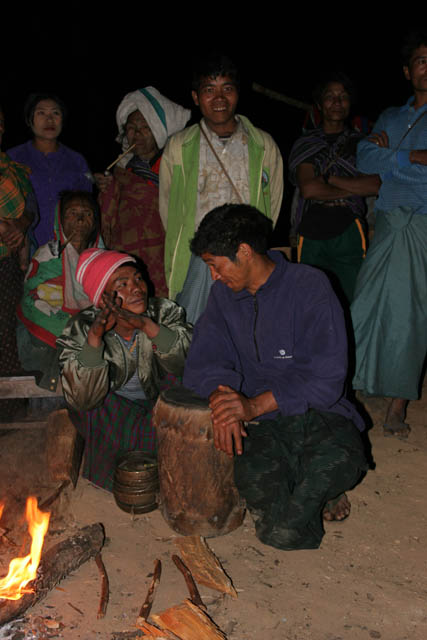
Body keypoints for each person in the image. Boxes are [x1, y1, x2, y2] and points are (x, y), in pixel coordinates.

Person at [183, 204, 367, 551]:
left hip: (322, 418)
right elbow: (204, 360)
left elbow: (327, 379)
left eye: (215, 265)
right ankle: (308, 493)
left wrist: (253, 405)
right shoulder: (223, 296)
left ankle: (319, 489)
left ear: (244, 252)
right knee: (262, 499)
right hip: (268, 428)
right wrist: (225, 403)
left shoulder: (309, 285)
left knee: (339, 461)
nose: (214, 277)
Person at [159, 53, 283, 322]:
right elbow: (169, 207)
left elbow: (272, 204)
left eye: (227, 89)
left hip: (246, 256)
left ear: (237, 94)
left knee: (249, 328)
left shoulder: (263, 145)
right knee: (192, 330)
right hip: (200, 258)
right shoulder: (179, 146)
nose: (218, 98)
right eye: (209, 90)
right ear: (195, 97)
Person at [57, 248, 192, 491]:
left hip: (157, 403)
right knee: (96, 407)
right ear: (103, 298)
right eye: (123, 284)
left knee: (183, 388)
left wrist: (148, 326)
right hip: (112, 410)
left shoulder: (162, 312)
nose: (137, 288)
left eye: (138, 279)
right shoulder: (81, 327)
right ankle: (135, 472)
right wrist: (95, 339)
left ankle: (156, 464)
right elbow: (81, 398)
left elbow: (188, 361)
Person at [351, 31, 427, 438]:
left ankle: (397, 403)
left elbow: (380, 161)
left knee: (411, 313)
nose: (426, 67)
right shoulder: (391, 116)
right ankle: (358, 382)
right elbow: (365, 158)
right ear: (407, 70)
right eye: (420, 60)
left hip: (422, 222)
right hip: (386, 219)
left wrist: (389, 157)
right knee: (366, 303)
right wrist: (414, 157)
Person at [288, 72, 380, 303]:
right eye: (330, 97)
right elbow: (308, 189)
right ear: (319, 104)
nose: (337, 102)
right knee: (309, 302)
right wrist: (355, 188)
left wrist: (329, 179)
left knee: (353, 299)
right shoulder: (306, 143)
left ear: (350, 103)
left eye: (343, 96)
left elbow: (375, 184)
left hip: (350, 226)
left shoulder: (364, 144)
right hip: (310, 229)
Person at [95, 87, 190, 297]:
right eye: (131, 127)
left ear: (158, 131)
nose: (136, 133)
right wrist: (106, 191)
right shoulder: (120, 172)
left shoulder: (175, 166)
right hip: (128, 253)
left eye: (145, 127)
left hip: (165, 254)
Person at [16, 190, 103, 392]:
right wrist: (72, 326)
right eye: (72, 213)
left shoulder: (101, 257)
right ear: (59, 219)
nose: (80, 220)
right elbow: (33, 302)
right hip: (47, 336)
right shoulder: (46, 255)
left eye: (88, 213)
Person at [8, 93, 92, 249]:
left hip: (67, 246)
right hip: (23, 246)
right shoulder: (13, 159)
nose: (49, 119)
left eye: (55, 113)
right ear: (29, 120)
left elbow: (88, 207)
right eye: (41, 113)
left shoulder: (77, 161)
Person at [0, 105, 38, 419]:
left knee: (9, 336)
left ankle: (12, 414)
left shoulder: (11, 168)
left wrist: (20, 226)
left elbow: (31, 209)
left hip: (7, 265)